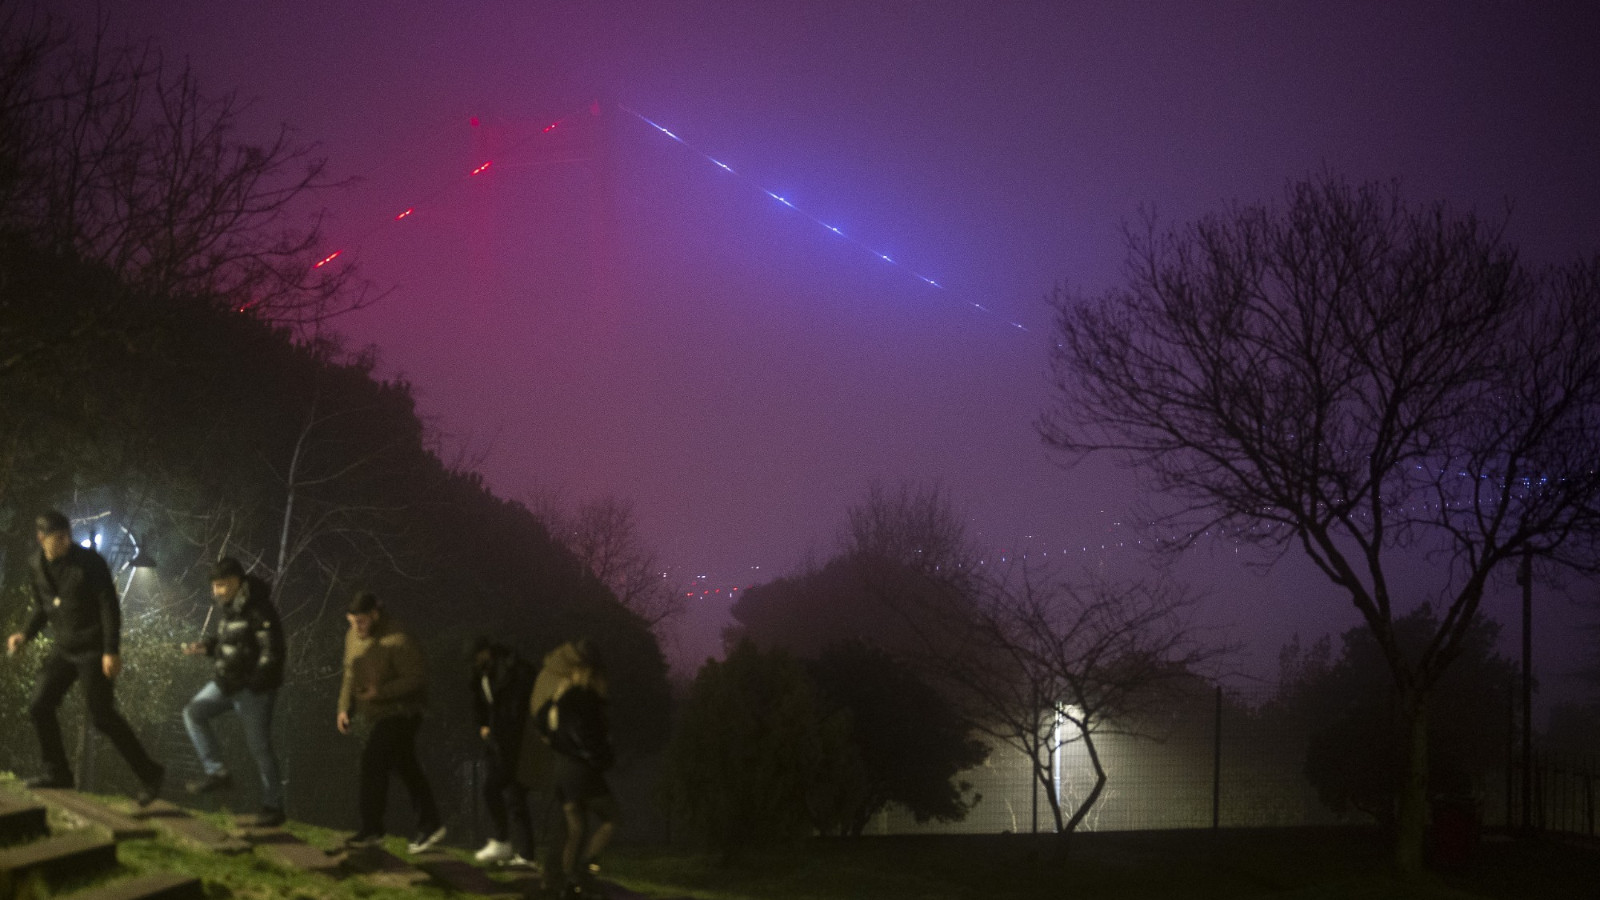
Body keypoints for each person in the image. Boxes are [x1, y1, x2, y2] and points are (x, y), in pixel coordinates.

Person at [6, 511, 165, 804]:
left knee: (102, 717)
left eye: (67, 535)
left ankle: (150, 774)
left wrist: (110, 650)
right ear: (42, 539)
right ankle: (57, 772)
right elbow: (43, 608)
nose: (66, 542)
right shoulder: (35, 566)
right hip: (64, 649)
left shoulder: (89, 563)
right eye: (59, 538)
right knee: (40, 704)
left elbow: (108, 606)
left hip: (93, 648)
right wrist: (25, 635)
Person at [181, 557, 287, 827]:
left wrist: (255, 683)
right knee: (193, 712)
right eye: (214, 587)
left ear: (237, 582)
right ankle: (216, 772)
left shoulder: (259, 609)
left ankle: (273, 806)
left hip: (253, 690)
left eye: (221, 585)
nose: (216, 592)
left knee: (259, 747)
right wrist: (205, 647)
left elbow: (272, 650)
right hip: (226, 683)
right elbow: (229, 642)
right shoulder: (230, 609)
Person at [337, 590, 445, 854]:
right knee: (405, 766)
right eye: (352, 621)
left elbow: (417, 678)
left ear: (375, 614)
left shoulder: (399, 638)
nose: (357, 628)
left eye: (361, 621)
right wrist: (344, 708)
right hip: (379, 712)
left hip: (404, 711)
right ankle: (431, 824)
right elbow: (350, 673)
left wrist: (381, 693)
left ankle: (372, 830)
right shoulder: (353, 636)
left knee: (373, 760)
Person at [533, 639, 617, 900]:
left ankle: (563, 882)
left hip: (562, 770)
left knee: (574, 828)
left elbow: (544, 726)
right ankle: (583, 870)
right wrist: (602, 757)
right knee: (612, 819)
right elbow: (588, 738)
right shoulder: (584, 699)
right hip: (581, 771)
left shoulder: (558, 697)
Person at [468, 637, 538, 868]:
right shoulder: (482, 674)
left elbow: (515, 709)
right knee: (514, 797)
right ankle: (525, 853)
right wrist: (483, 725)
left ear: (487, 652)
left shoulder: (511, 671)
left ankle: (503, 841)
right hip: (497, 741)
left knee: (494, 789)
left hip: (515, 742)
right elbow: (481, 704)